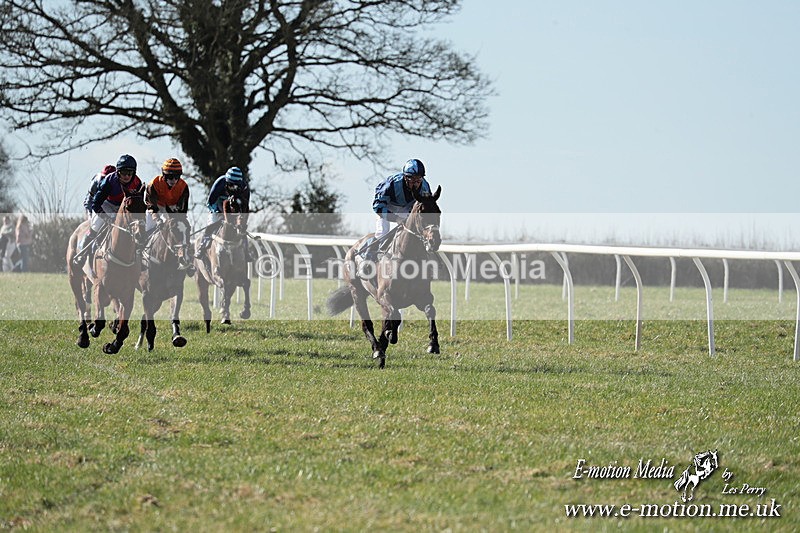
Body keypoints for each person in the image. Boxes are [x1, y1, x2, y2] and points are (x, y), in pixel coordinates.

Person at [73, 154, 144, 266]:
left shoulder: (137, 183)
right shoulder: (109, 181)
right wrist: (105, 217)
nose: (126, 176)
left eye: (129, 173)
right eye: (123, 173)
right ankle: (82, 252)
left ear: (134, 173)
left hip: (124, 207)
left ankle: (141, 257)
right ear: (118, 172)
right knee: (96, 226)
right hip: (107, 205)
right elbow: (96, 204)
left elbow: (138, 205)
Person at [359, 158, 432, 261]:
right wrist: (395, 218)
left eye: (418, 179)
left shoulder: (425, 187)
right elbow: (377, 206)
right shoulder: (392, 184)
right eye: (413, 180)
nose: (416, 184)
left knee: (413, 233)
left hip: (408, 208)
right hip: (387, 206)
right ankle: (367, 256)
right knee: (382, 233)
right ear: (406, 178)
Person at [144, 157, 192, 273]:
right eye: (170, 177)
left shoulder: (183, 187)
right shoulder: (154, 184)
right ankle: (139, 257)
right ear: (164, 175)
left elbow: (182, 210)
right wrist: (158, 220)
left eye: (176, 177)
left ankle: (187, 261)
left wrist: (176, 218)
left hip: (172, 209)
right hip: (154, 208)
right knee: (145, 230)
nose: (173, 180)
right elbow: (151, 205)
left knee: (182, 230)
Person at [194, 166, 251, 260]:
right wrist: (219, 212)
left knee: (241, 227)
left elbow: (245, 206)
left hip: (234, 209)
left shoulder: (244, 187)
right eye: (231, 185)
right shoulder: (219, 183)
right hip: (217, 207)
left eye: (237, 186)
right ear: (227, 182)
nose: (234, 188)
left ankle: (246, 250)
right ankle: (202, 246)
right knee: (212, 224)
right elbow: (210, 202)